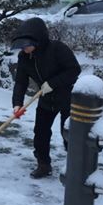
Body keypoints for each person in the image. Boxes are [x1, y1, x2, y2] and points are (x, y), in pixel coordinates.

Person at [11, 17, 81, 178]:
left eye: (27, 45)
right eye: (22, 46)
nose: (24, 49)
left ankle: (75, 167)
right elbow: (20, 82)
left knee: (69, 133)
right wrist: (17, 104)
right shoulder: (24, 57)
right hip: (46, 99)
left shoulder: (57, 49)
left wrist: (52, 83)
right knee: (40, 132)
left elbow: (73, 70)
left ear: (38, 40)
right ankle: (43, 164)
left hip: (67, 98)